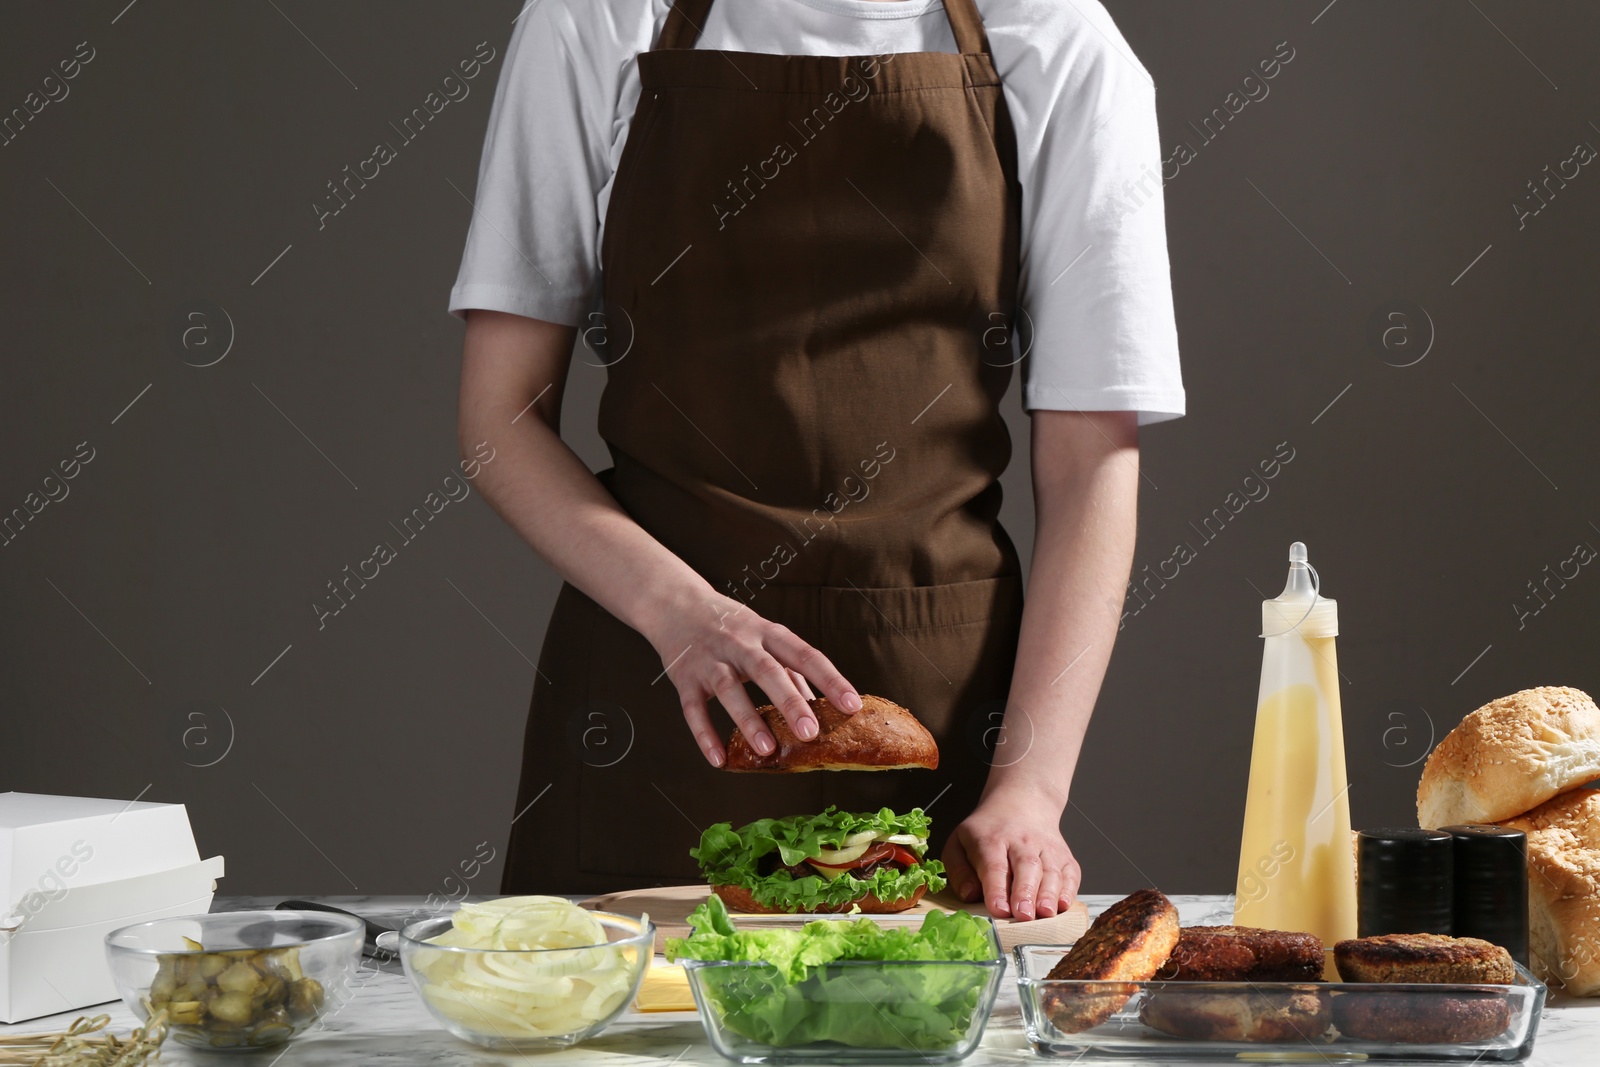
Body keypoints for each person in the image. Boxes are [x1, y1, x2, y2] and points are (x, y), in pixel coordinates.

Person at [450, 0, 1183, 921]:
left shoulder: (1058, 41)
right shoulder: (596, 17)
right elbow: (497, 419)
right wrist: (681, 615)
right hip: (651, 701)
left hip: (939, 721)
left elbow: (1090, 471)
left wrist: (1029, 791)